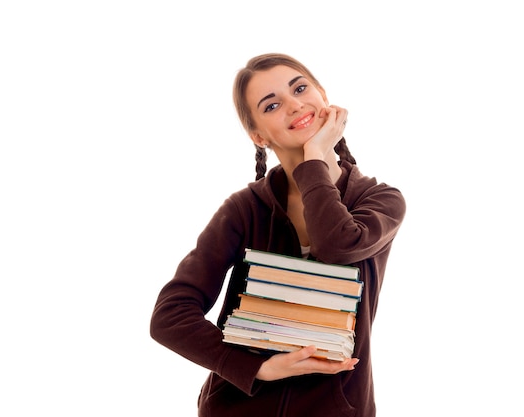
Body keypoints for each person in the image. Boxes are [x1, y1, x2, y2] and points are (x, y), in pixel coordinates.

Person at [150, 52, 406, 417]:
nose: (293, 104)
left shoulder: (380, 199)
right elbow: (170, 316)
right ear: (258, 135)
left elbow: (335, 245)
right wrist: (257, 368)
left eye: (300, 88)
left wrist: (314, 155)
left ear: (322, 95)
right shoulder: (243, 209)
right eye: (271, 105)